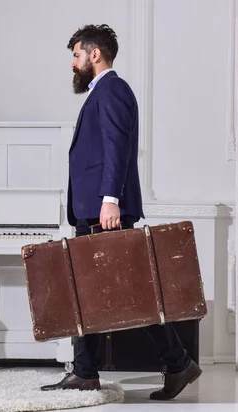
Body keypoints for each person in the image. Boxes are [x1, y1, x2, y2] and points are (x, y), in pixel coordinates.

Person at [39, 24, 202, 401]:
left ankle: (171, 363)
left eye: (77, 55)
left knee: (117, 293)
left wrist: (110, 198)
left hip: (104, 211)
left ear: (95, 54)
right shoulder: (103, 92)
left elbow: (117, 147)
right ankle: (102, 371)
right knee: (105, 293)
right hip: (95, 210)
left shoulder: (112, 90)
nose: (73, 64)